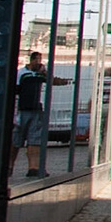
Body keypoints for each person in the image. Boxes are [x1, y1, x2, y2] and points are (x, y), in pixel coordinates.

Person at [13, 50, 71, 179]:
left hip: (35, 110)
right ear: (32, 60)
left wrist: (45, 73)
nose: (39, 62)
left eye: (41, 60)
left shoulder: (39, 75)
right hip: (22, 110)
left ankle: (34, 167)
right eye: (37, 60)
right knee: (16, 140)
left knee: (35, 140)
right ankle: (10, 166)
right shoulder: (22, 74)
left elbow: (51, 80)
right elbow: (16, 90)